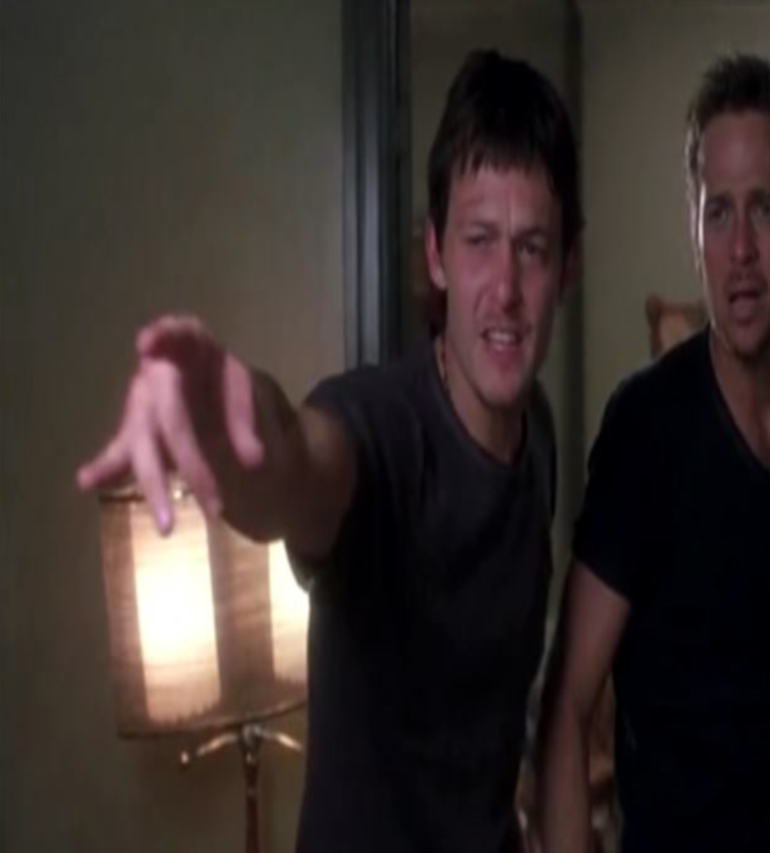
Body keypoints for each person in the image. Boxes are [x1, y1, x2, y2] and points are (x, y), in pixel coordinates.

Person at [77, 49, 581, 853]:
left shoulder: (540, 435)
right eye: (479, 240)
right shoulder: (377, 428)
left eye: (532, 247)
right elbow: (296, 465)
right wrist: (222, 414)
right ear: (435, 253)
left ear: (567, 268)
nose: (505, 288)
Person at [537, 54, 770, 853]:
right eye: (718, 213)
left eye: (765, 210)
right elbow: (568, 707)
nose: (741, 248)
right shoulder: (646, 429)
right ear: (695, 235)